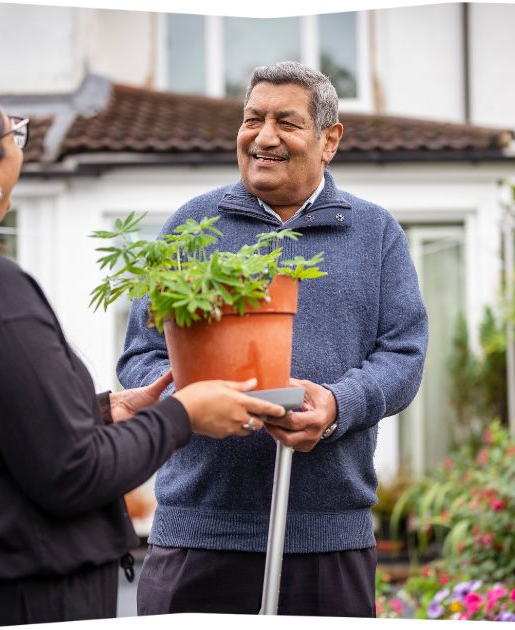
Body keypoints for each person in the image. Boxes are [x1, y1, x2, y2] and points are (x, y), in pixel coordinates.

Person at [0, 60, 286, 628]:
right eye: (16, 133)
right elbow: (72, 473)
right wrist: (183, 416)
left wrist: (102, 411)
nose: (21, 147)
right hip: (17, 596)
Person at [118, 61, 429, 617]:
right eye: (251, 119)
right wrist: (188, 406)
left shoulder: (374, 233)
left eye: (286, 122)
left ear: (329, 140)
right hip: (199, 533)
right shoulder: (194, 227)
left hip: (328, 539)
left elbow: (403, 354)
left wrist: (336, 406)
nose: (263, 137)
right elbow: (144, 354)